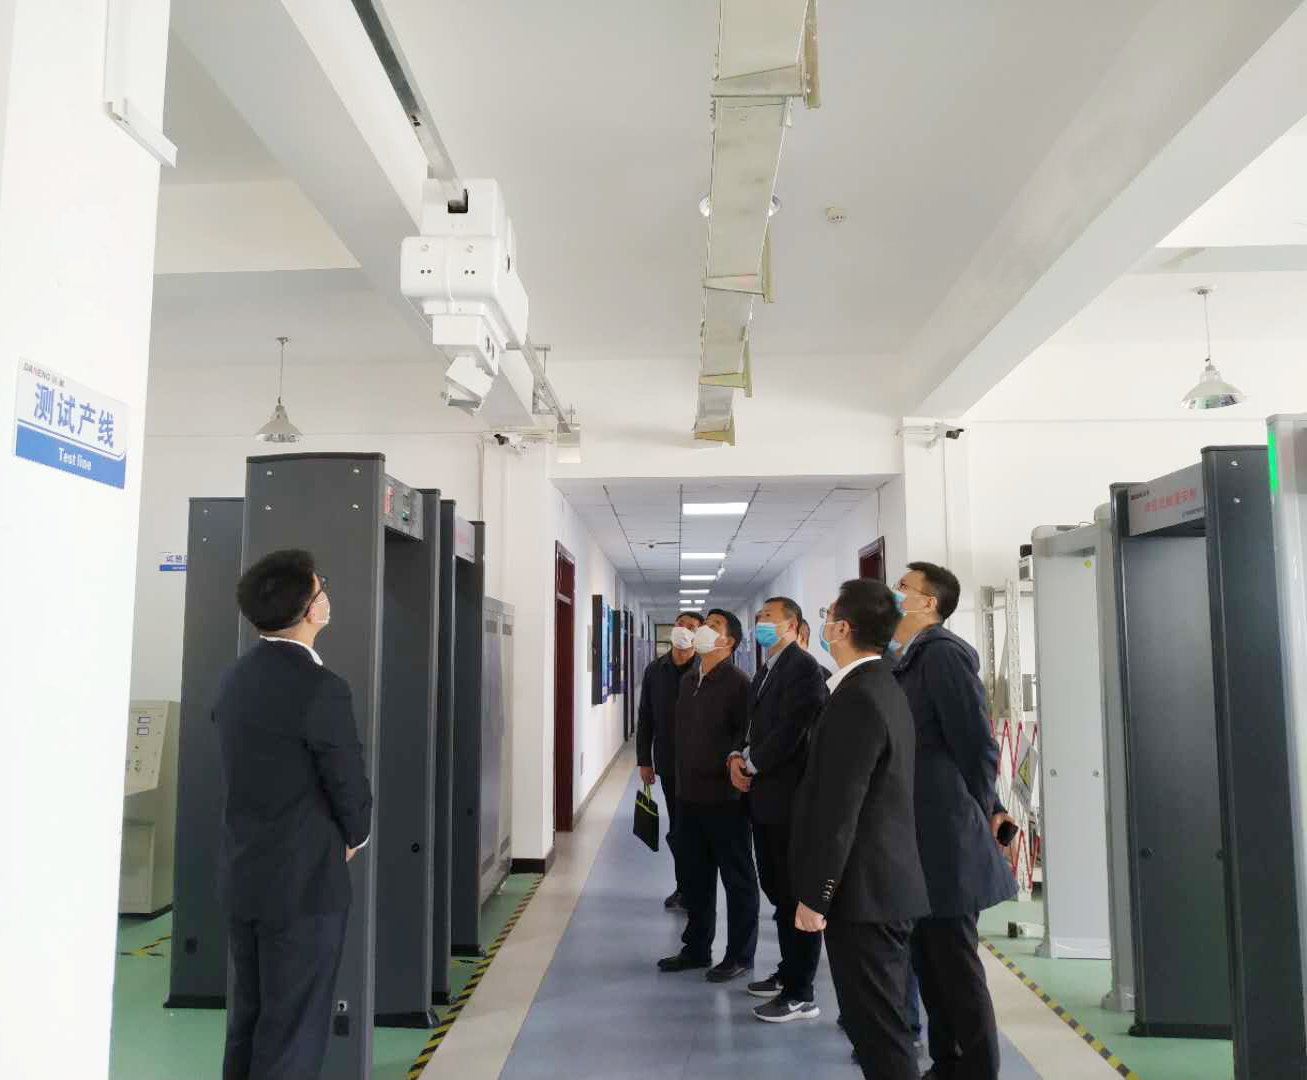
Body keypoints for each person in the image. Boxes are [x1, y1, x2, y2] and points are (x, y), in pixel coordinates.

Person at [216, 550, 373, 1080]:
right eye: (319, 588)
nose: (326, 596)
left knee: (250, 1017)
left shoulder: (235, 678)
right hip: (305, 881)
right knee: (294, 1029)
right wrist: (356, 834)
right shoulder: (322, 689)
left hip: (246, 873)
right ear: (308, 609)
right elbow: (345, 777)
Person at [790, 579, 929, 1080]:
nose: (825, 624)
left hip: (864, 893)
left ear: (842, 628)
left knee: (878, 1034)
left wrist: (817, 895)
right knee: (879, 1026)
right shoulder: (880, 685)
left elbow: (841, 806)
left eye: (828, 616)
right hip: (881, 886)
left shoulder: (858, 698)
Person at [892, 561, 1016, 1080]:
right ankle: (947, 1065)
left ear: (929, 602)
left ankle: (978, 1070)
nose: (895, 594)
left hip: (948, 837)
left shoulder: (943, 654)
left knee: (956, 966)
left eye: (904, 587)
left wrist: (985, 809)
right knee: (930, 962)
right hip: (921, 837)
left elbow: (976, 744)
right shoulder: (908, 657)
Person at [727, 597, 828, 1022]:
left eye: (768, 617)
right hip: (765, 798)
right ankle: (788, 973)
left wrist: (753, 763)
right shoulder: (767, 668)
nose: (761, 623)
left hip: (789, 800)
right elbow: (753, 726)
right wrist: (737, 754)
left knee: (792, 895)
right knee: (777, 891)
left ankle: (801, 992)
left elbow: (792, 731)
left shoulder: (803, 668)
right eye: (759, 617)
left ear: (792, 625)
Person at [657, 608, 759, 982]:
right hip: (688, 796)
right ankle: (696, 948)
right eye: (705, 623)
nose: (702, 629)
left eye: (713, 626)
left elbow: (746, 737)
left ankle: (740, 955)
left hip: (725, 799)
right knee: (695, 877)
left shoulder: (739, 683)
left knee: (737, 879)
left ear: (728, 641)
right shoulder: (689, 680)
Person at [636, 610, 703, 910]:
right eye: (680, 624)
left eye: (691, 627)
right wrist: (644, 760)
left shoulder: (707, 667)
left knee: (697, 830)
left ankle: (700, 889)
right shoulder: (655, 670)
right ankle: (684, 887)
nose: (684, 630)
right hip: (668, 763)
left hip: (702, 767)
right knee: (677, 829)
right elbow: (646, 717)